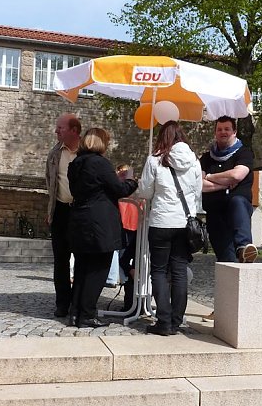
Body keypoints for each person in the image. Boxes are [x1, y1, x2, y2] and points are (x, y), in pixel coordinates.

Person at [66, 127, 138, 328]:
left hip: (80, 219)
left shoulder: (75, 164)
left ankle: (75, 313)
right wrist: (131, 180)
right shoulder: (100, 163)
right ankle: (87, 314)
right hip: (99, 222)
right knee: (98, 268)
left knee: (81, 268)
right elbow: (120, 189)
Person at [137, 121, 203, 335]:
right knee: (179, 271)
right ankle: (176, 320)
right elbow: (197, 191)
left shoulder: (155, 160)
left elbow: (145, 192)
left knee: (158, 270)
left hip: (161, 222)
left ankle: (163, 321)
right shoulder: (194, 161)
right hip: (185, 223)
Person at [199, 116, 257, 263]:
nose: (223, 132)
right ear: (215, 133)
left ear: (234, 132)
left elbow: (237, 175)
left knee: (237, 201)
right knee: (226, 262)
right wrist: (225, 183)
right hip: (216, 215)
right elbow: (199, 185)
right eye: (219, 129)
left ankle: (244, 247)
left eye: (227, 129)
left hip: (238, 212)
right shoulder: (206, 158)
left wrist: (210, 177)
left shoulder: (244, 153)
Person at [45, 113, 81, 318]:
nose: (56, 131)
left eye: (61, 128)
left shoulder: (87, 152)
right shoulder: (54, 153)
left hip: (80, 212)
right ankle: (62, 302)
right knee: (61, 260)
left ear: (74, 131)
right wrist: (50, 210)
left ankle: (78, 301)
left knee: (82, 259)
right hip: (60, 211)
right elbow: (49, 181)